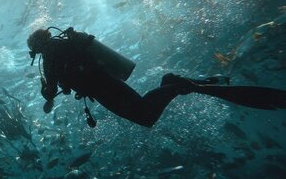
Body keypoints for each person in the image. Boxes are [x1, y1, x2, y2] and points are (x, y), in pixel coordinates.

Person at [27, 27, 286, 128]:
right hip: (105, 82)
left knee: (144, 116)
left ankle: (172, 85)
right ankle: (169, 84)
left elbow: (51, 92)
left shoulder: (49, 57)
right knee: (143, 113)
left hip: (102, 88)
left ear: (38, 46)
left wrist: (45, 90)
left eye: (33, 49)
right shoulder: (65, 45)